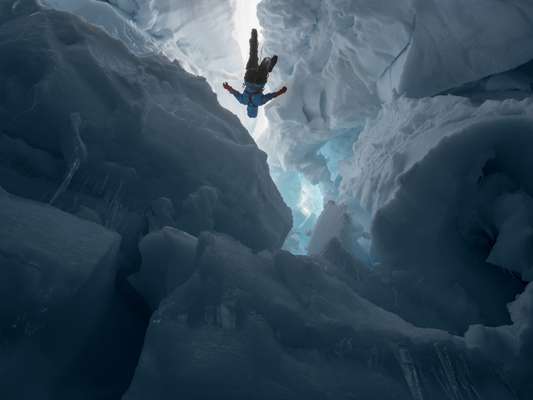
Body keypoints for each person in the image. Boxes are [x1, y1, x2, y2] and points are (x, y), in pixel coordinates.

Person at [223, 28, 287, 118]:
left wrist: (281, 92)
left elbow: (271, 96)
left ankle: (268, 64)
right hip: (249, 77)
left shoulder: (260, 102)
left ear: (256, 110)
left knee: (265, 62)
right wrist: (227, 87)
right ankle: (254, 36)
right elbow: (235, 93)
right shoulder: (243, 101)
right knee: (253, 54)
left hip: (260, 81)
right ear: (248, 109)